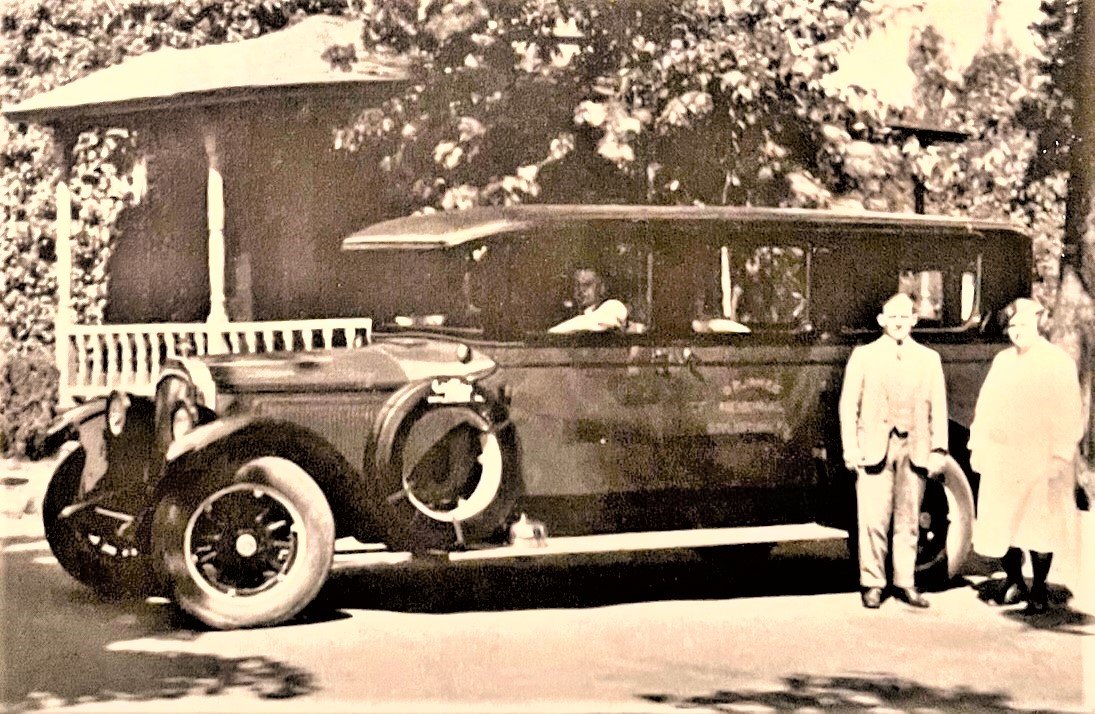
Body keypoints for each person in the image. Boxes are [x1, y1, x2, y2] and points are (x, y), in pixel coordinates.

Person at [968, 298, 1083, 614]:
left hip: (1039, 457)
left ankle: (1039, 588)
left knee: (1037, 525)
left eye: (1024, 325)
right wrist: (978, 445)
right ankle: (1014, 579)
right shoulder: (1003, 362)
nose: (1017, 332)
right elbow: (986, 407)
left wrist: (1060, 455)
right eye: (1012, 326)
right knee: (1002, 523)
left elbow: (1070, 412)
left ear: (1039, 325)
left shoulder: (1057, 362)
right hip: (1003, 457)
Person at [839, 293, 949, 609]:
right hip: (875, 448)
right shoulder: (863, 356)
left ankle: (906, 583)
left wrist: (938, 449)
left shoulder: (929, 359)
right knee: (873, 519)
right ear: (881, 321)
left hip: (914, 447)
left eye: (905, 317)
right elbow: (849, 405)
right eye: (893, 317)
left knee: (909, 519)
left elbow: (938, 409)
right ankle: (872, 583)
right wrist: (851, 447)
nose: (899, 323)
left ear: (914, 320)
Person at [548, 267, 628, 334]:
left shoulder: (614, 306)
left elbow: (593, 324)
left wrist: (553, 332)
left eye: (587, 284)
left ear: (601, 287)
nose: (581, 290)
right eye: (577, 285)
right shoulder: (571, 313)